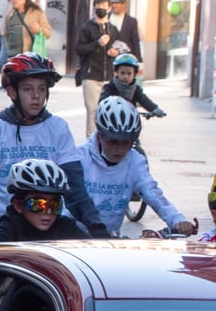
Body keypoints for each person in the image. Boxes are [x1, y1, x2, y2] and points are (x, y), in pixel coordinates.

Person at [0, 53, 109, 245]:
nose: (36, 96)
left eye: (42, 89)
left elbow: (75, 185)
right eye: (28, 89)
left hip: (47, 229)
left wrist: (95, 225)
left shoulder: (58, 128)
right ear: (11, 92)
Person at [79, 97, 195, 236]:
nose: (119, 150)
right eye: (113, 142)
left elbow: (153, 193)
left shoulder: (135, 161)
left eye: (125, 143)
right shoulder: (79, 158)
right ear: (100, 136)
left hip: (108, 239)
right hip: (72, 237)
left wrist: (177, 220)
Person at [0, 160, 93, 243]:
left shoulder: (65, 226)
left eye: (55, 205)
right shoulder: (10, 228)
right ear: (18, 205)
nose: (49, 212)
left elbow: (91, 250)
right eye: (38, 204)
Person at [75, 0, 120, 135]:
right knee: (93, 110)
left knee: (109, 111)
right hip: (91, 75)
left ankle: (107, 139)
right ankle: (91, 141)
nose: (101, 9)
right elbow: (79, 49)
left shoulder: (113, 29)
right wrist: (97, 44)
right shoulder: (87, 28)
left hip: (109, 76)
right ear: (94, 8)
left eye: (104, 6)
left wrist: (115, 52)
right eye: (98, 6)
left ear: (109, 8)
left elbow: (119, 47)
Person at [2, 0, 53, 69]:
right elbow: (5, 34)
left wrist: (39, 30)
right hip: (12, 57)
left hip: (28, 58)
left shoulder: (37, 13)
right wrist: (8, 51)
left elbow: (48, 33)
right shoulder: (10, 14)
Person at [99, 51, 164, 118]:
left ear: (134, 74)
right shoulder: (110, 87)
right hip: (112, 119)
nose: (125, 76)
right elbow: (102, 101)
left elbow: (144, 100)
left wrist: (155, 109)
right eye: (122, 73)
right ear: (116, 73)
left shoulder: (136, 89)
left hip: (131, 120)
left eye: (129, 73)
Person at [108, 0, 141, 64]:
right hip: (108, 58)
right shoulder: (106, 18)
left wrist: (139, 60)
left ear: (123, 4)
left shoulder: (131, 21)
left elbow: (135, 41)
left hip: (125, 59)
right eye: (112, 3)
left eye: (116, 3)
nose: (114, 5)